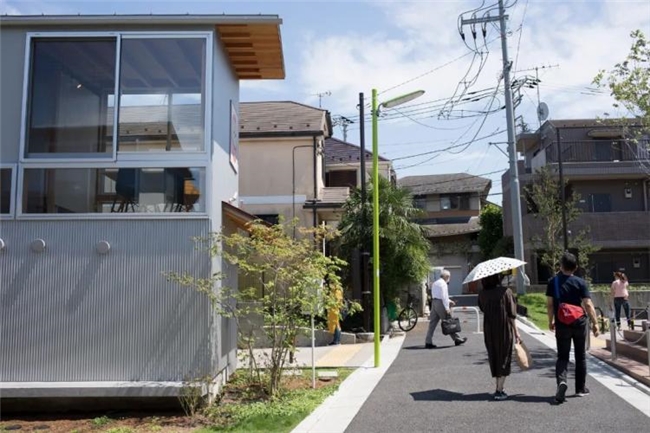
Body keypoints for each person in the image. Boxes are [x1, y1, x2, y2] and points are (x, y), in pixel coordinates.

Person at [546, 252, 599, 403]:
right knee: (580, 355)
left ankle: (562, 381)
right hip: (579, 322)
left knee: (562, 356)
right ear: (575, 267)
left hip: (562, 322)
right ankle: (580, 388)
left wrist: (551, 321)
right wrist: (595, 323)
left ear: (561, 266)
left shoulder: (553, 282)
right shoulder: (580, 282)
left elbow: (550, 305)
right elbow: (588, 304)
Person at [478, 273, 521, 401]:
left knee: (494, 356)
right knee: (504, 356)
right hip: (503, 328)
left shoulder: (482, 294)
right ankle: (499, 389)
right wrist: (517, 332)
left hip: (489, 328)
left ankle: (499, 387)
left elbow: (482, 308)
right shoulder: (506, 292)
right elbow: (512, 315)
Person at [424, 269, 467, 348]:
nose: (449, 279)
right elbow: (444, 296)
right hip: (441, 304)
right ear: (446, 276)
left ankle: (428, 341)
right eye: (449, 277)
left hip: (434, 303)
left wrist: (449, 301)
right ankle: (457, 339)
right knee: (449, 321)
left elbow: (437, 295)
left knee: (432, 324)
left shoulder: (435, 283)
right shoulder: (443, 284)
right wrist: (447, 307)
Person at [327, 279, 343, 345]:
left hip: (335, 310)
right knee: (335, 325)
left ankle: (337, 341)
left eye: (331, 283)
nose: (330, 285)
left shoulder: (337, 291)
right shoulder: (333, 291)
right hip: (332, 310)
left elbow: (337, 301)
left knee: (336, 325)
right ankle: (336, 340)